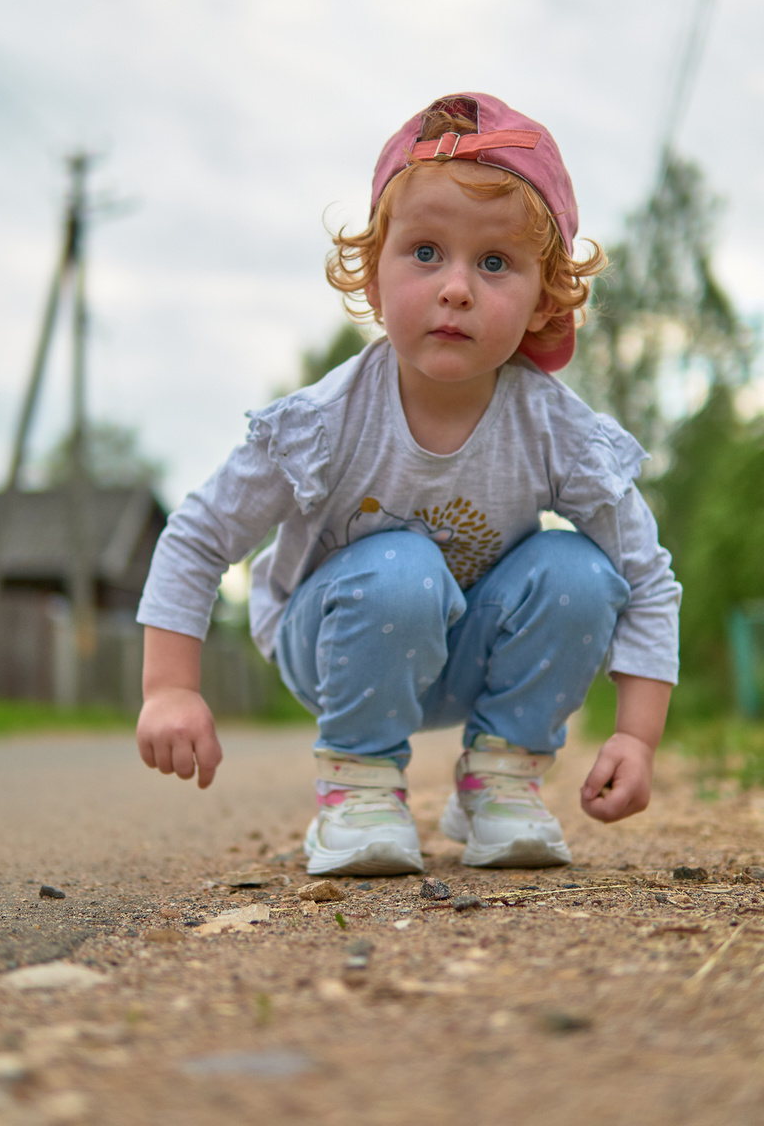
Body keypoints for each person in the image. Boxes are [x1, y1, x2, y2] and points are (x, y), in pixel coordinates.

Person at [136, 92, 681, 878]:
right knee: (402, 567)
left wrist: (637, 735)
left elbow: (645, 577)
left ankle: (501, 777)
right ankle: (356, 787)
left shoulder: (555, 431)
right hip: (332, 641)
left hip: (474, 651)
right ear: (375, 269)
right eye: (426, 252)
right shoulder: (327, 421)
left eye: (495, 263)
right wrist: (169, 688)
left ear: (542, 298)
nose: (456, 287)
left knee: (583, 573)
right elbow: (200, 536)